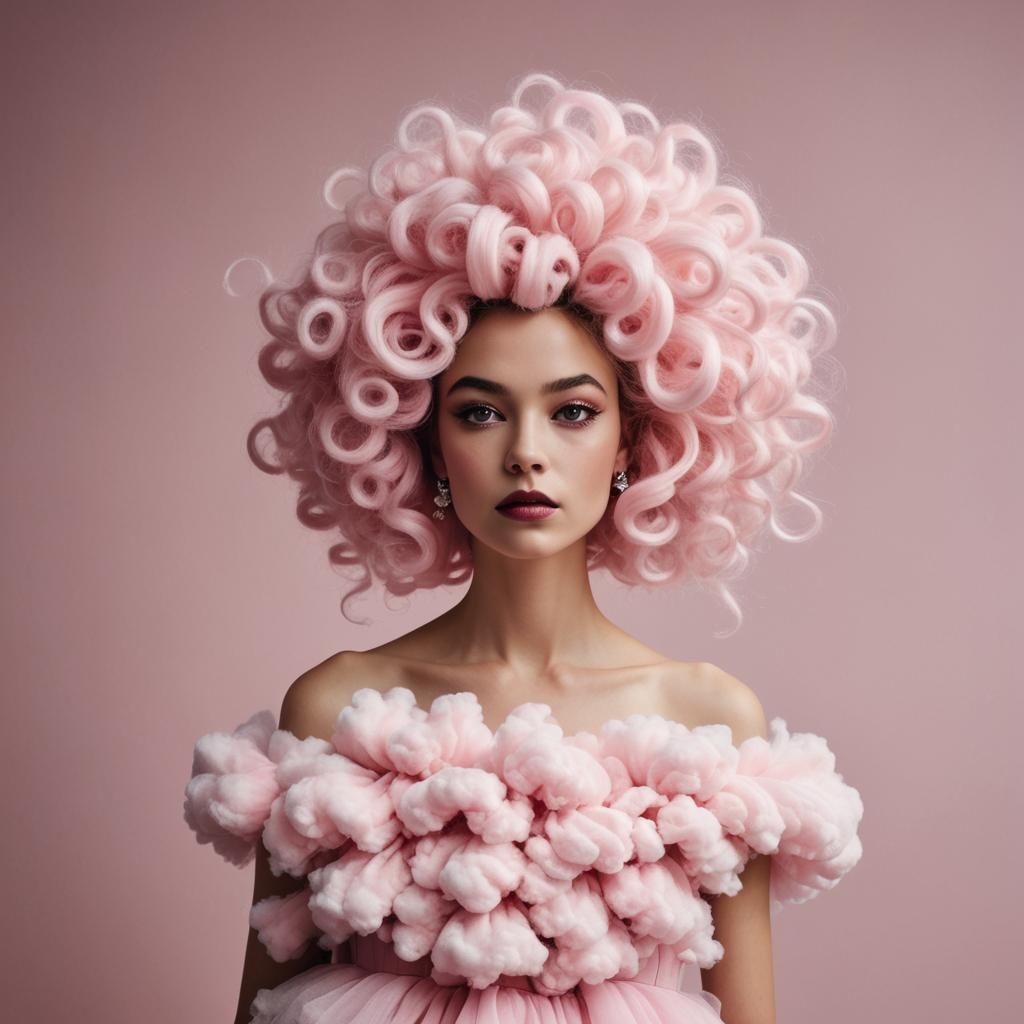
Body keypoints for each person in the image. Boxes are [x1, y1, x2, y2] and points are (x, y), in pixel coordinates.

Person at [184, 73, 864, 1024]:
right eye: (480, 412)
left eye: (575, 411)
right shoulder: (342, 711)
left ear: (636, 441)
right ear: (419, 440)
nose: (527, 452)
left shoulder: (706, 729)